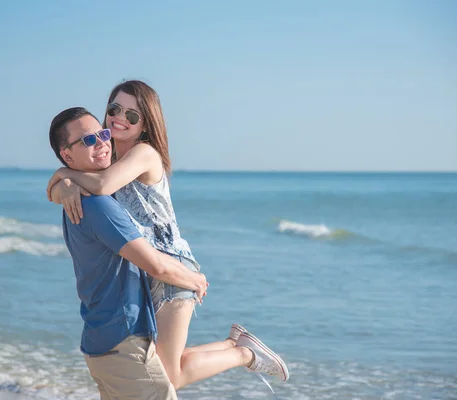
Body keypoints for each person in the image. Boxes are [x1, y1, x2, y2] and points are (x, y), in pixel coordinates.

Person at [47, 81, 288, 393]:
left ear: (146, 124)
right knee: (163, 367)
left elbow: (104, 185)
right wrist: (61, 183)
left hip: (172, 267)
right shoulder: (108, 159)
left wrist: (63, 175)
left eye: (132, 116)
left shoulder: (143, 154)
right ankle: (235, 344)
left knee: (169, 377)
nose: (120, 118)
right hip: (149, 267)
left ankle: (244, 354)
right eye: (114, 109)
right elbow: (73, 191)